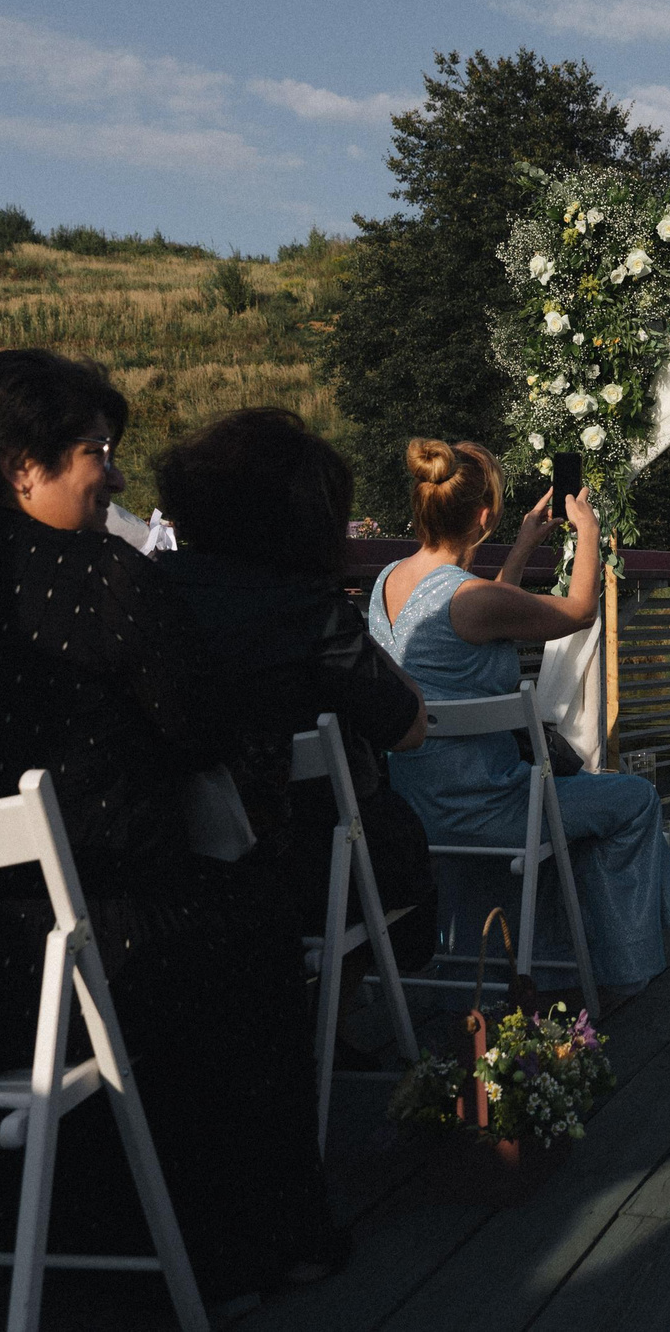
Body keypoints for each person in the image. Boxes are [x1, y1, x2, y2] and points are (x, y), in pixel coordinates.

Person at [0, 350, 333, 1302]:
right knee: (251, 921)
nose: (114, 477)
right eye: (97, 453)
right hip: (69, 973)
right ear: (20, 466)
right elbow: (201, 731)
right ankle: (256, 1242)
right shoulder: (104, 580)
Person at [370, 439, 670, 990]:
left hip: (413, 807)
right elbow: (580, 611)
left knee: (581, 796)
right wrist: (588, 533)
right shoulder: (475, 599)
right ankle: (625, 966)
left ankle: (549, 952)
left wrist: (521, 547)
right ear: (483, 516)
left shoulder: (385, 581)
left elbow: (477, 613)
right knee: (635, 800)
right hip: (491, 811)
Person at [152, 408, 438, 1001]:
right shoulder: (308, 611)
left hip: (172, 861)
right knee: (387, 833)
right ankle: (330, 1017)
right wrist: (346, 619)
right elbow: (408, 727)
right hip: (300, 869)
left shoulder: (145, 590)